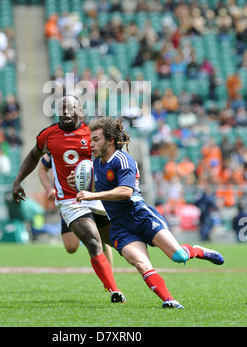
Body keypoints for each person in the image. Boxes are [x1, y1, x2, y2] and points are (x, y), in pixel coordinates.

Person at [74, 116, 224, 309]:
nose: (91, 144)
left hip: (140, 216)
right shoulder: (96, 164)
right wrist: (79, 183)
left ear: (110, 140)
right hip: (119, 226)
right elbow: (99, 184)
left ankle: (197, 250)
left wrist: (92, 196)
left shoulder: (123, 160)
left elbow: (125, 192)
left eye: (95, 139)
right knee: (140, 264)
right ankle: (169, 300)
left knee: (178, 256)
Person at [12, 95, 125, 303]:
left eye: (69, 108)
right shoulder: (48, 135)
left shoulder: (91, 133)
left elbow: (110, 155)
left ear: (79, 110)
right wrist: (19, 180)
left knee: (122, 242)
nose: (64, 112)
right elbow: (35, 159)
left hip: (96, 195)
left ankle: (140, 275)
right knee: (81, 244)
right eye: (61, 108)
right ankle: (113, 289)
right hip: (70, 201)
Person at [38, 152, 113, 264]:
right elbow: (42, 168)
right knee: (71, 247)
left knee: (99, 239)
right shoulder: (55, 144)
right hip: (68, 201)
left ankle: (108, 277)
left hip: (92, 198)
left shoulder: (92, 143)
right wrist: (49, 188)